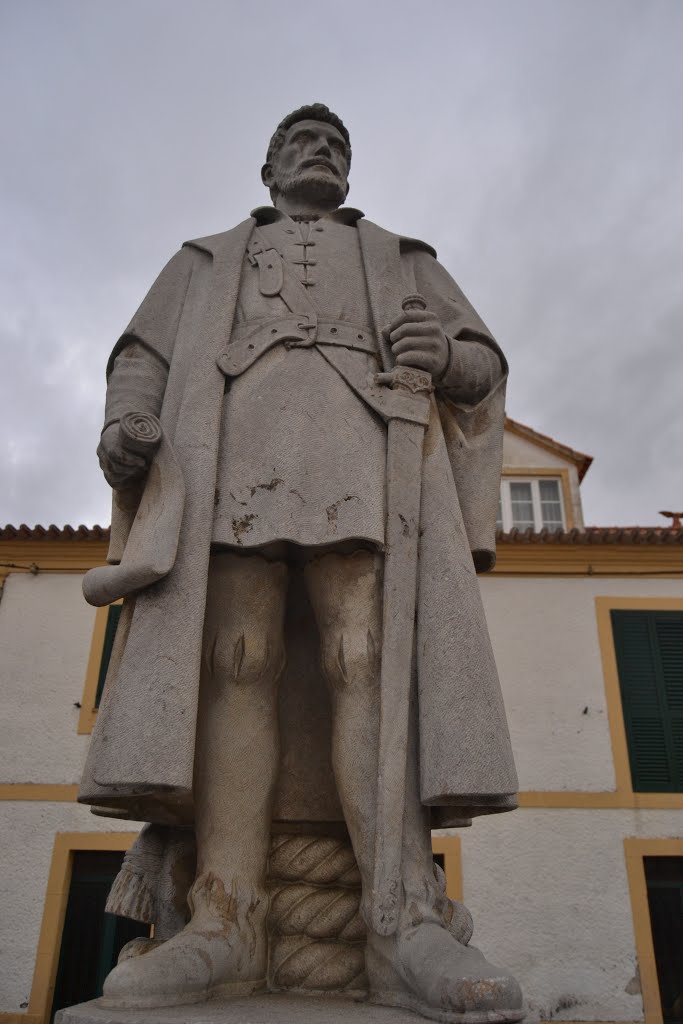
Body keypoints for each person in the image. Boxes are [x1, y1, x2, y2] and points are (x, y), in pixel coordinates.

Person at [82, 103, 524, 1021]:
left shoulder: (404, 256)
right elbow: (142, 355)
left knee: (361, 658)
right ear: (268, 167)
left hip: (364, 459)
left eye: (336, 145)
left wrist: (443, 352)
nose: (320, 151)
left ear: (351, 175)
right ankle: (224, 919)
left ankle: (399, 920)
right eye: (300, 142)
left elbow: (479, 363)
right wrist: (126, 426)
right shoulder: (203, 258)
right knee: (236, 661)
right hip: (225, 459)